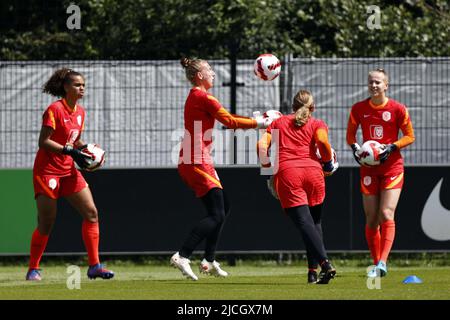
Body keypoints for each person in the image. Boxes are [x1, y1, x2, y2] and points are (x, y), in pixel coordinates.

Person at [171, 57, 272, 281]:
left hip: (198, 159)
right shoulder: (202, 96)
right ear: (199, 76)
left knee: (223, 207)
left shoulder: (198, 96)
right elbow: (230, 122)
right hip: (195, 160)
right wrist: (261, 123)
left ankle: (208, 260)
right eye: (209, 70)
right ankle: (182, 255)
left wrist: (256, 120)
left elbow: (229, 119)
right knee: (217, 213)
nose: (213, 73)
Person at [26, 68, 114, 281]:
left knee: (91, 213)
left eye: (83, 85)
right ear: (66, 87)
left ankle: (94, 266)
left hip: (68, 170)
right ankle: (33, 269)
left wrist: (89, 150)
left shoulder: (81, 112)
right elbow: (44, 142)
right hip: (47, 172)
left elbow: (74, 140)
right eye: (77, 85)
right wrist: (70, 151)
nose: (81, 88)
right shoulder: (54, 110)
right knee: (47, 222)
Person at [257, 89, 338, 284]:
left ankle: (325, 265)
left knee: (304, 223)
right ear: (313, 107)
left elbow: (261, 146)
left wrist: (267, 167)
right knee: (314, 223)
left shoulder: (278, 123)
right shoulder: (318, 124)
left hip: (288, 174)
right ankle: (312, 272)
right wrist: (326, 163)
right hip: (314, 174)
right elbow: (323, 143)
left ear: (292, 106)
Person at [346, 68, 415, 278]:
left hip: (392, 168)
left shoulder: (398, 109)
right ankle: (376, 263)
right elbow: (350, 136)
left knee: (386, 213)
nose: (374, 86)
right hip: (368, 169)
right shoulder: (358, 108)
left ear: (386, 85)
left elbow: (410, 136)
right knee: (371, 219)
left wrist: (391, 147)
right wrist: (356, 149)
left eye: (378, 82)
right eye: (371, 82)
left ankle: (383, 262)